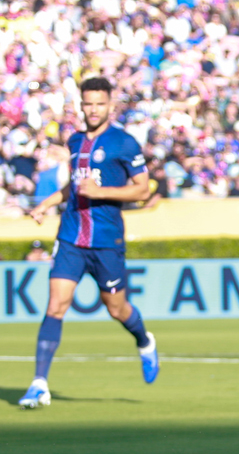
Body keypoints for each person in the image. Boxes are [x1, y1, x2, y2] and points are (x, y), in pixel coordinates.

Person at [19, 77, 158, 409]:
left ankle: (144, 340)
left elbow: (142, 189)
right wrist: (47, 203)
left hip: (107, 240)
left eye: (99, 103)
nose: (93, 109)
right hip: (70, 237)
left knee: (116, 308)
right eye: (88, 103)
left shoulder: (124, 143)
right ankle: (39, 384)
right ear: (81, 105)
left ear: (110, 105)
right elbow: (74, 186)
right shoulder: (75, 141)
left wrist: (103, 193)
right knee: (56, 306)